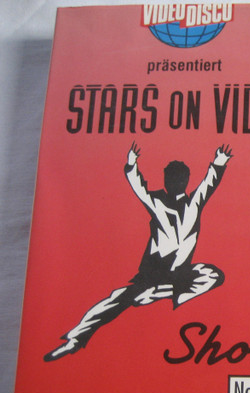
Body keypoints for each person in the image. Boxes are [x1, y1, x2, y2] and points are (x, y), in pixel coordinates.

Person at [44, 141, 233, 362]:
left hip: (179, 274)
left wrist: (220, 161)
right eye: (171, 178)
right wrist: (131, 163)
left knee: (213, 275)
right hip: (153, 274)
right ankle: (74, 341)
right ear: (166, 180)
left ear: (186, 180)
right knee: (115, 300)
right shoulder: (157, 201)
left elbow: (208, 184)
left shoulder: (193, 204)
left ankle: (161, 294)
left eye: (179, 178)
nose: (175, 182)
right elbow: (139, 188)